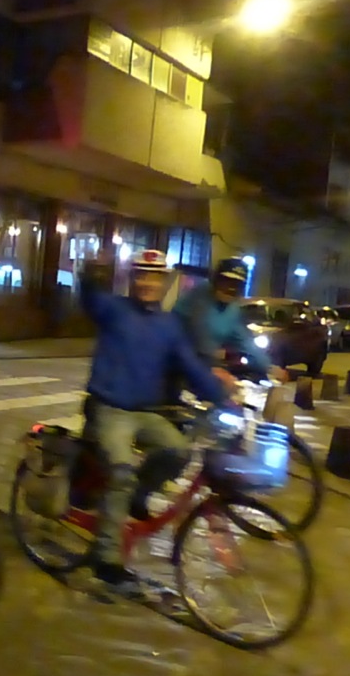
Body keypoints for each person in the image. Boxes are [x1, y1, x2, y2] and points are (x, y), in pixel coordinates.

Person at [80, 249, 228, 589]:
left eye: (154, 277)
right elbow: (90, 299)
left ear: (164, 282)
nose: (147, 283)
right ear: (132, 279)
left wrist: (221, 397)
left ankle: (137, 496)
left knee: (179, 451)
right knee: (121, 470)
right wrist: (91, 275)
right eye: (141, 275)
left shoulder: (168, 325)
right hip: (110, 408)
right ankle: (106, 558)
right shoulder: (113, 309)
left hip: (145, 412)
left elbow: (190, 365)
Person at [172, 257, 285, 387]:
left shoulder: (232, 307)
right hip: (181, 368)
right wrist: (212, 366)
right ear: (215, 280)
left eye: (237, 284)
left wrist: (269, 367)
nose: (231, 288)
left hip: (204, 369)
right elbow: (200, 337)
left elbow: (244, 340)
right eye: (227, 281)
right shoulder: (199, 297)